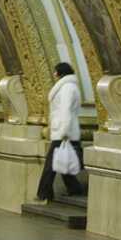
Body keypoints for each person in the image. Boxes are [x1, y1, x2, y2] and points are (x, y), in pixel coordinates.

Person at [37, 63, 85, 201]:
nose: (53, 74)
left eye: (55, 71)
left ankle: (43, 194)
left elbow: (66, 110)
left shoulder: (67, 88)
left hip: (64, 133)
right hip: (64, 131)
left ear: (59, 72)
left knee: (50, 164)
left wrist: (63, 131)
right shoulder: (66, 86)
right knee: (62, 162)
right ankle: (75, 189)